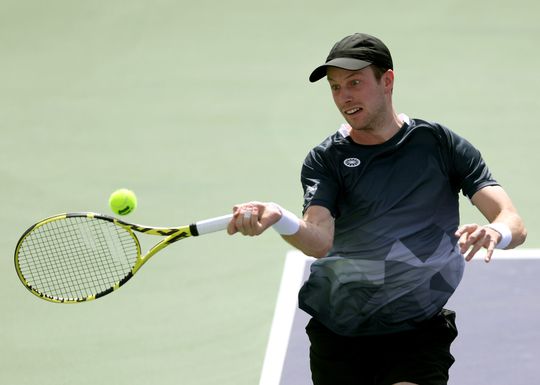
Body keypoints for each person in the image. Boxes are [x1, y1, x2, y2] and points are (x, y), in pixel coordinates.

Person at [227, 33, 527, 385]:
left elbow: (513, 222)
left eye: (354, 82)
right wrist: (280, 218)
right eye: (335, 87)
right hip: (340, 331)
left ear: (388, 81)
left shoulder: (439, 144)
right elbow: (320, 240)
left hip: (417, 328)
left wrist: (496, 231)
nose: (344, 97)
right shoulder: (327, 159)